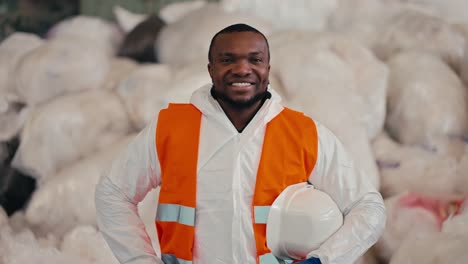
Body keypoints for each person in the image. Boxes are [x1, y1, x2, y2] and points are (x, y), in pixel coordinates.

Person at [95, 23, 386, 264]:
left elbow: (368, 207)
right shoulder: (171, 128)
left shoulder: (302, 132)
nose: (242, 69)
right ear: (210, 69)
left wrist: (323, 259)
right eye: (228, 59)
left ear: (268, 68)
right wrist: (140, 260)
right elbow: (113, 193)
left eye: (254, 59)